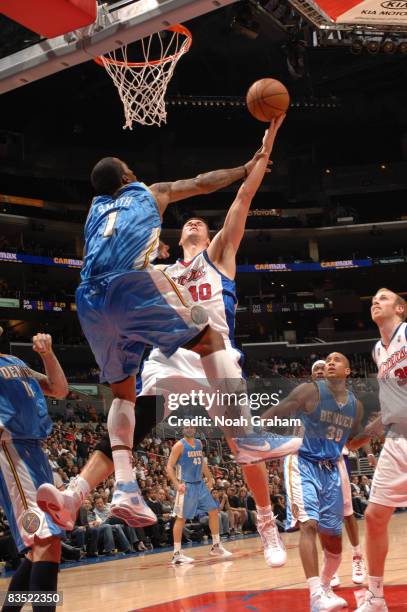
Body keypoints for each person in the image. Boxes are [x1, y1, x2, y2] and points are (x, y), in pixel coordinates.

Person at [37, 120, 301, 568]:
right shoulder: (160, 267)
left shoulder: (219, 255)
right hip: (172, 353)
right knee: (136, 414)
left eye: (202, 221)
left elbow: (243, 196)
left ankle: (266, 522)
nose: (196, 222)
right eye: (190, 223)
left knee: (243, 449)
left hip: (213, 359)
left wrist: (266, 143)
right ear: (172, 241)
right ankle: (76, 492)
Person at [262, 353, 364, 611]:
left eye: (337, 360)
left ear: (348, 371)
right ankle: (316, 594)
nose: (330, 363)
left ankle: (326, 588)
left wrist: (379, 428)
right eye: (327, 360)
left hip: (331, 470)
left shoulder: (355, 405)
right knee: (309, 526)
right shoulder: (309, 390)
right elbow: (277, 410)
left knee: (334, 543)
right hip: (302, 462)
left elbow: (352, 443)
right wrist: (250, 435)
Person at [0, 333, 68, 612]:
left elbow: (59, 388)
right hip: (11, 450)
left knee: (45, 545)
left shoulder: (14, 361)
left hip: (35, 452)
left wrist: (47, 354)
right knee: (43, 540)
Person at [355, 288, 407, 612]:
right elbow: (391, 409)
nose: (376, 301)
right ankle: (375, 598)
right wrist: (365, 434)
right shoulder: (378, 350)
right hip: (396, 440)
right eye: (373, 298)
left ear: (400, 309)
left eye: (384, 298)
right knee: (374, 517)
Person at [311, 360, 366, 589]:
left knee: (346, 513)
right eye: (316, 370)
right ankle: (329, 566)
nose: (321, 371)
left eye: (324, 369)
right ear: (312, 375)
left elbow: (356, 432)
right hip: (311, 463)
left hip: (336, 460)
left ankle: (357, 556)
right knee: (321, 519)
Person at [166, 425, 231, 564]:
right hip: (187, 485)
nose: (190, 429)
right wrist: (177, 484)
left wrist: (209, 477)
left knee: (214, 511)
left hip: (200, 484)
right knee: (181, 519)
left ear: (195, 429)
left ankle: (216, 546)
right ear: (182, 429)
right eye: (187, 427)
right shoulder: (178, 446)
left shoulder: (198, 443)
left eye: (192, 427)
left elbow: (201, 461)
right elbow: (169, 467)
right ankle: (176, 554)